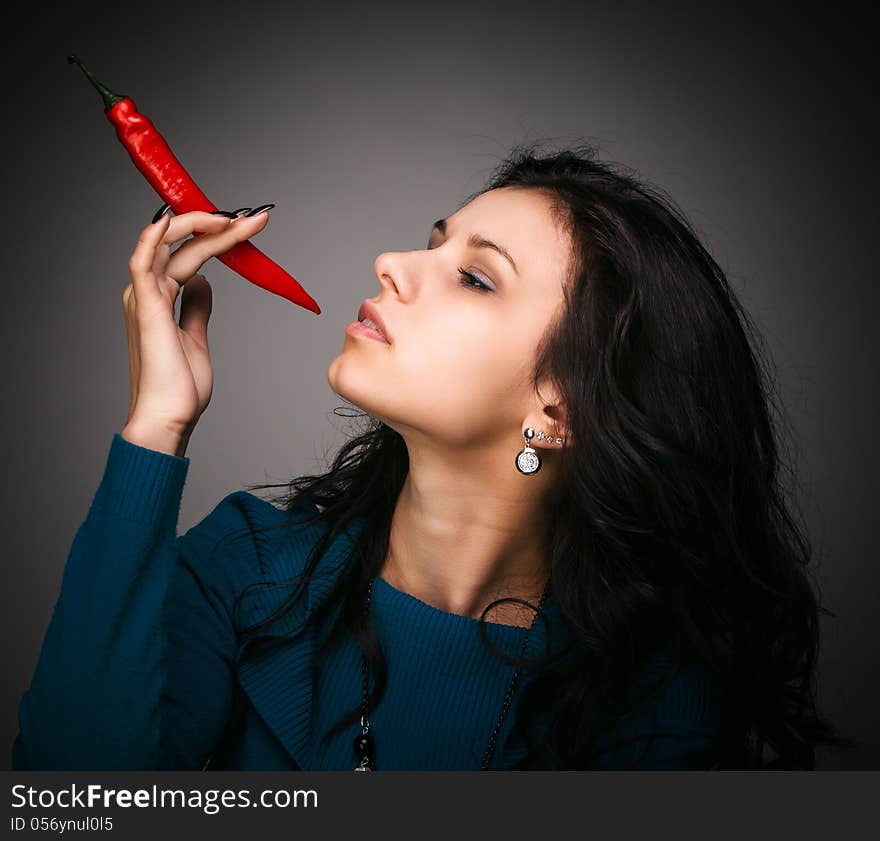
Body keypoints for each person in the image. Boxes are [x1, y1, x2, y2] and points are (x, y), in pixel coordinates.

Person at [11, 142, 853, 771]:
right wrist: (157, 426)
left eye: (475, 277)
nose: (394, 263)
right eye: (434, 241)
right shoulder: (247, 570)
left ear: (558, 407)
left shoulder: (651, 700)